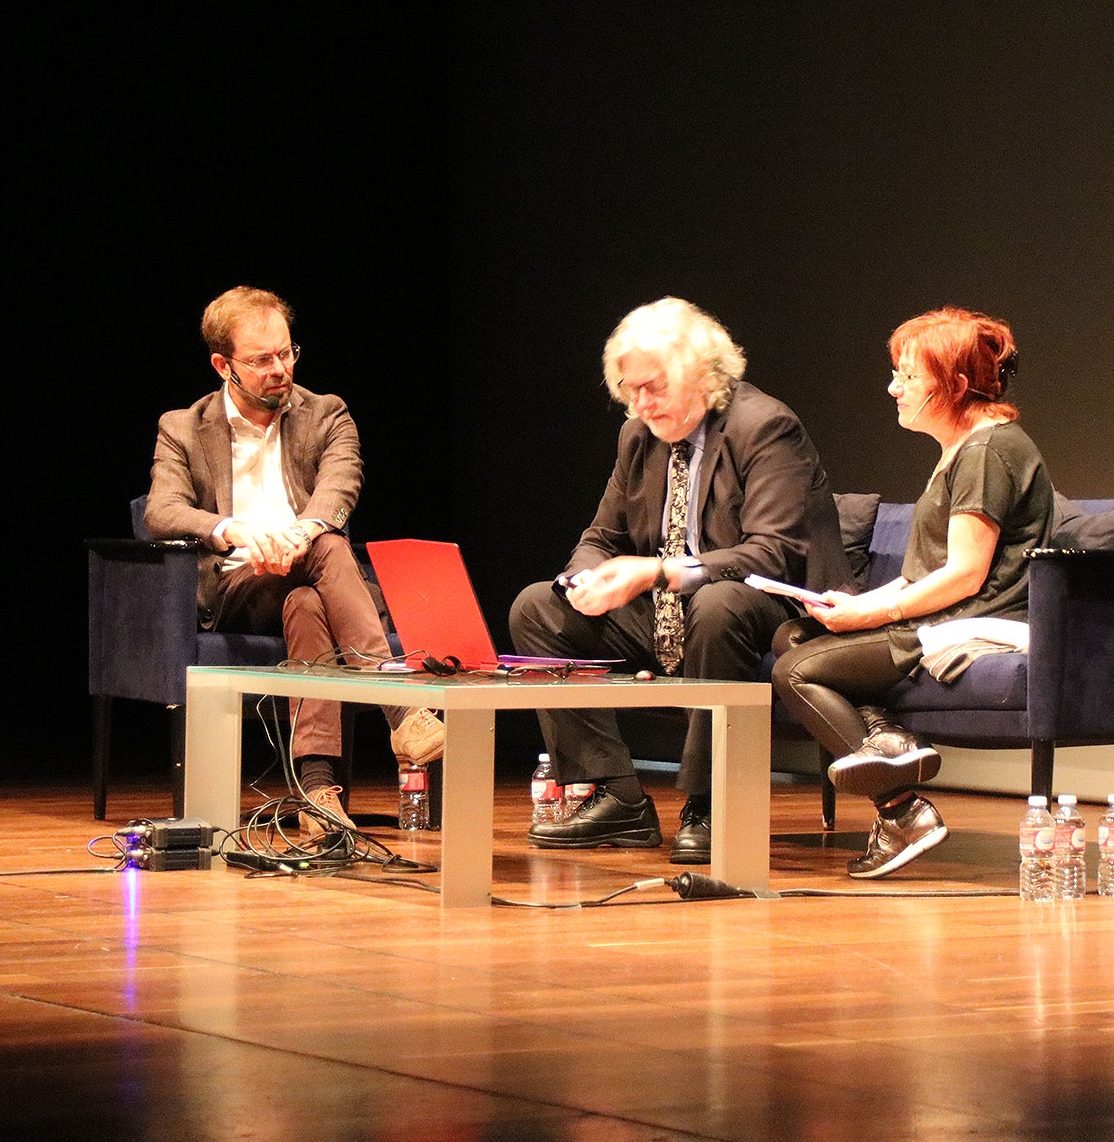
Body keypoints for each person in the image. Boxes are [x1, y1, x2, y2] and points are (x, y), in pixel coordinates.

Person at [509, 297, 851, 865]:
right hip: (671, 613)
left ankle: (709, 804)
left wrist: (659, 571)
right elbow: (602, 535)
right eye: (629, 389)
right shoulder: (637, 437)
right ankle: (617, 795)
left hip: (765, 611)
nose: (640, 403)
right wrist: (583, 579)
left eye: (654, 387)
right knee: (536, 608)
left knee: (718, 605)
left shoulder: (764, 425)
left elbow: (773, 553)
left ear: (704, 375)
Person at [771, 308, 1053, 878]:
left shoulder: (987, 451)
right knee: (796, 631)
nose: (893, 387)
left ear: (953, 384)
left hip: (977, 619)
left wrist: (877, 612)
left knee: (796, 670)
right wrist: (854, 606)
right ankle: (886, 738)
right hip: (949, 611)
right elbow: (930, 565)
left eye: (908, 375)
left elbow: (966, 576)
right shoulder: (960, 450)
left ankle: (900, 809)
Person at [145, 286, 442, 820]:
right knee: (323, 552)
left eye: (286, 352)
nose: (279, 368)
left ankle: (317, 794)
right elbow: (161, 511)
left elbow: (340, 487)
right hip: (238, 586)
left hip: (311, 568)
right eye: (261, 360)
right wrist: (237, 532)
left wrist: (299, 533)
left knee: (307, 597)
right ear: (223, 365)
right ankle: (401, 710)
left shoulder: (327, 414)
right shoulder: (183, 427)